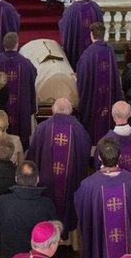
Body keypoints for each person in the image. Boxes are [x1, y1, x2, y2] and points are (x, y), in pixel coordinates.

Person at [75, 138, 131, 258]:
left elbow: (82, 212)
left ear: (99, 157)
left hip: (101, 241)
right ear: (120, 156)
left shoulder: (88, 185)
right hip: (128, 242)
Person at [26, 98, 91, 231]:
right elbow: (85, 155)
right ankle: (69, 240)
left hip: (46, 182)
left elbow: (32, 156)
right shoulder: (79, 130)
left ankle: (46, 234)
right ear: (70, 111)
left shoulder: (42, 128)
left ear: (53, 110)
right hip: (70, 181)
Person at [0, 162, 58, 258]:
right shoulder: (47, 204)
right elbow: (55, 233)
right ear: (37, 179)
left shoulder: (3, 201)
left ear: (16, 178)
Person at [76, 22, 122, 143]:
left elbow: (83, 77)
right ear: (103, 34)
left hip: (94, 101)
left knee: (93, 126)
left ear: (91, 35)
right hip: (109, 98)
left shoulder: (88, 53)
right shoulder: (110, 50)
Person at [0, 33, 38, 149]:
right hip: (21, 109)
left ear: (4, 45)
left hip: (2, 107)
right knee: (22, 135)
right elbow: (34, 74)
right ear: (17, 45)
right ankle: (20, 152)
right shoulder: (26, 63)